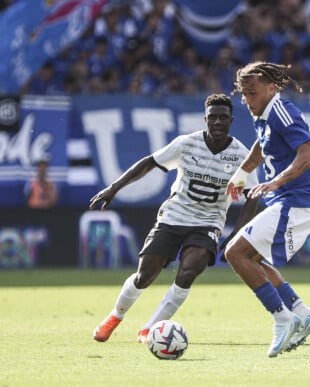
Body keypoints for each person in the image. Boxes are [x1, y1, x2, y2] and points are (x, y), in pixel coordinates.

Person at [92, 93, 259, 343]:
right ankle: (115, 316)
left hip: (208, 222)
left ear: (231, 120)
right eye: (212, 117)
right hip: (173, 216)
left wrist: (236, 234)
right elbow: (150, 163)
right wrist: (113, 188)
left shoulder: (240, 155)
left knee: (188, 272)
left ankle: (150, 329)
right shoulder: (186, 144)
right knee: (145, 275)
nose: (217, 122)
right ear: (205, 119)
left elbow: (252, 196)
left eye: (222, 117)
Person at [224, 62, 310, 357]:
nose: (247, 100)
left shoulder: (282, 112)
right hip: (291, 201)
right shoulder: (265, 114)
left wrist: (275, 181)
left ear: (271, 88)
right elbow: (262, 144)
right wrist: (242, 172)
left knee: (234, 253)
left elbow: (309, 153)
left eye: (251, 93)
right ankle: (301, 313)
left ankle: (282, 318)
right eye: (243, 94)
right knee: (254, 259)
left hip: (296, 201)